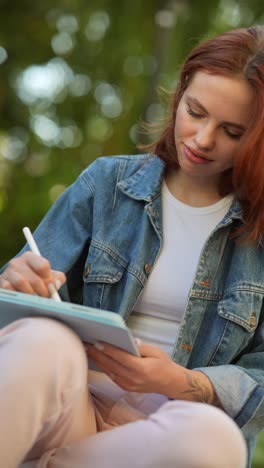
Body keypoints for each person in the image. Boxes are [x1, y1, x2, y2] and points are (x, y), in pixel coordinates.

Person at [1, 25, 264, 468]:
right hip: (68, 408)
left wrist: (183, 382)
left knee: (217, 439)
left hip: (161, 440)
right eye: (195, 112)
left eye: (232, 131)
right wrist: (14, 284)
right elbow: (18, 328)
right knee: (43, 339)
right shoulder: (108, 184)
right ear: (180, 94)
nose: (201, 139)